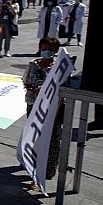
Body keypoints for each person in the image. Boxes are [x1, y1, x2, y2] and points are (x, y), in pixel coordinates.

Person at [23, 38, 62, 185]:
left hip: (50, 107)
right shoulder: (33, 64)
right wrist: (28, 85)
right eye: (44, 47)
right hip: (33, 103)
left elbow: (61, 87)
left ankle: (49, 168)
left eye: (50, 49)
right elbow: (26, 79)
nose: (47, 51)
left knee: (51, 137)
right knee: (33, 134)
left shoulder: (58, 67)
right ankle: (31, 162)